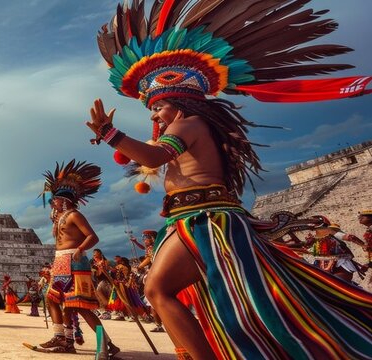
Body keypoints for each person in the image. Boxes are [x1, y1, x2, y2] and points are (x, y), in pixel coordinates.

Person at [89, 2, 372, 358]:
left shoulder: (187, 123)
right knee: (187, 294)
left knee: (159, 290)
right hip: (193, 218)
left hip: (206, 220)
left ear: (176, 100)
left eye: (157, 107)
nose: (155, 115)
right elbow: (156, 160)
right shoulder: (190, 125)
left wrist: (110, 133)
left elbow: (156, 156)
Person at [31, 160, 117, 355]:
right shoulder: (61, 217)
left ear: (65, 201)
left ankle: (105, 343)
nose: (52, 202)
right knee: (58, 301)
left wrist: (80, 249)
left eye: (55, 200)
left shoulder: (74, 215)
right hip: (61, 261)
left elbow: (92, 236)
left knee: (79, 305)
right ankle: (63, 338)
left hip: (74, 260)